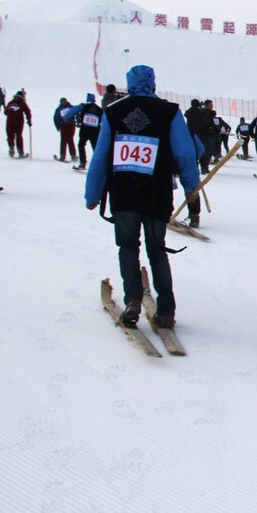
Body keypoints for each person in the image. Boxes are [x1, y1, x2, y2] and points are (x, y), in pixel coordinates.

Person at [84, 64, 201, 328]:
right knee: (157, 249)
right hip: (156, 193)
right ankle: (167, 310)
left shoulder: (113, 111)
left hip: (123, 192)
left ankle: (133, 300)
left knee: (128, 247)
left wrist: (92, 193)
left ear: (129, 84)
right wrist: (191, 190)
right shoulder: (169, 112)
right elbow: (185, 154)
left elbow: (101, 156)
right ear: (153, 83)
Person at [73, 93, 103, 170]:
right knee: (96, 148)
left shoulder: (84, 106)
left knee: (81, 145)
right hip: (95, 131)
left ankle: (83, 162)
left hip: (85, 130)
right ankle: (99, 164)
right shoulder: (99, 109)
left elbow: (75, 111)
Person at [4, 90, 32, 158]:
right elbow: (28, 111)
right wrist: (29, 120)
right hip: (19, 122)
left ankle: (11, 149)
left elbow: (5, 112)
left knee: (10, 136)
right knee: (19, 136)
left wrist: (11, 111)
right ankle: (20, 152)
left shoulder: (10, 102)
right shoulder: (22, 103)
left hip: (9, 121)